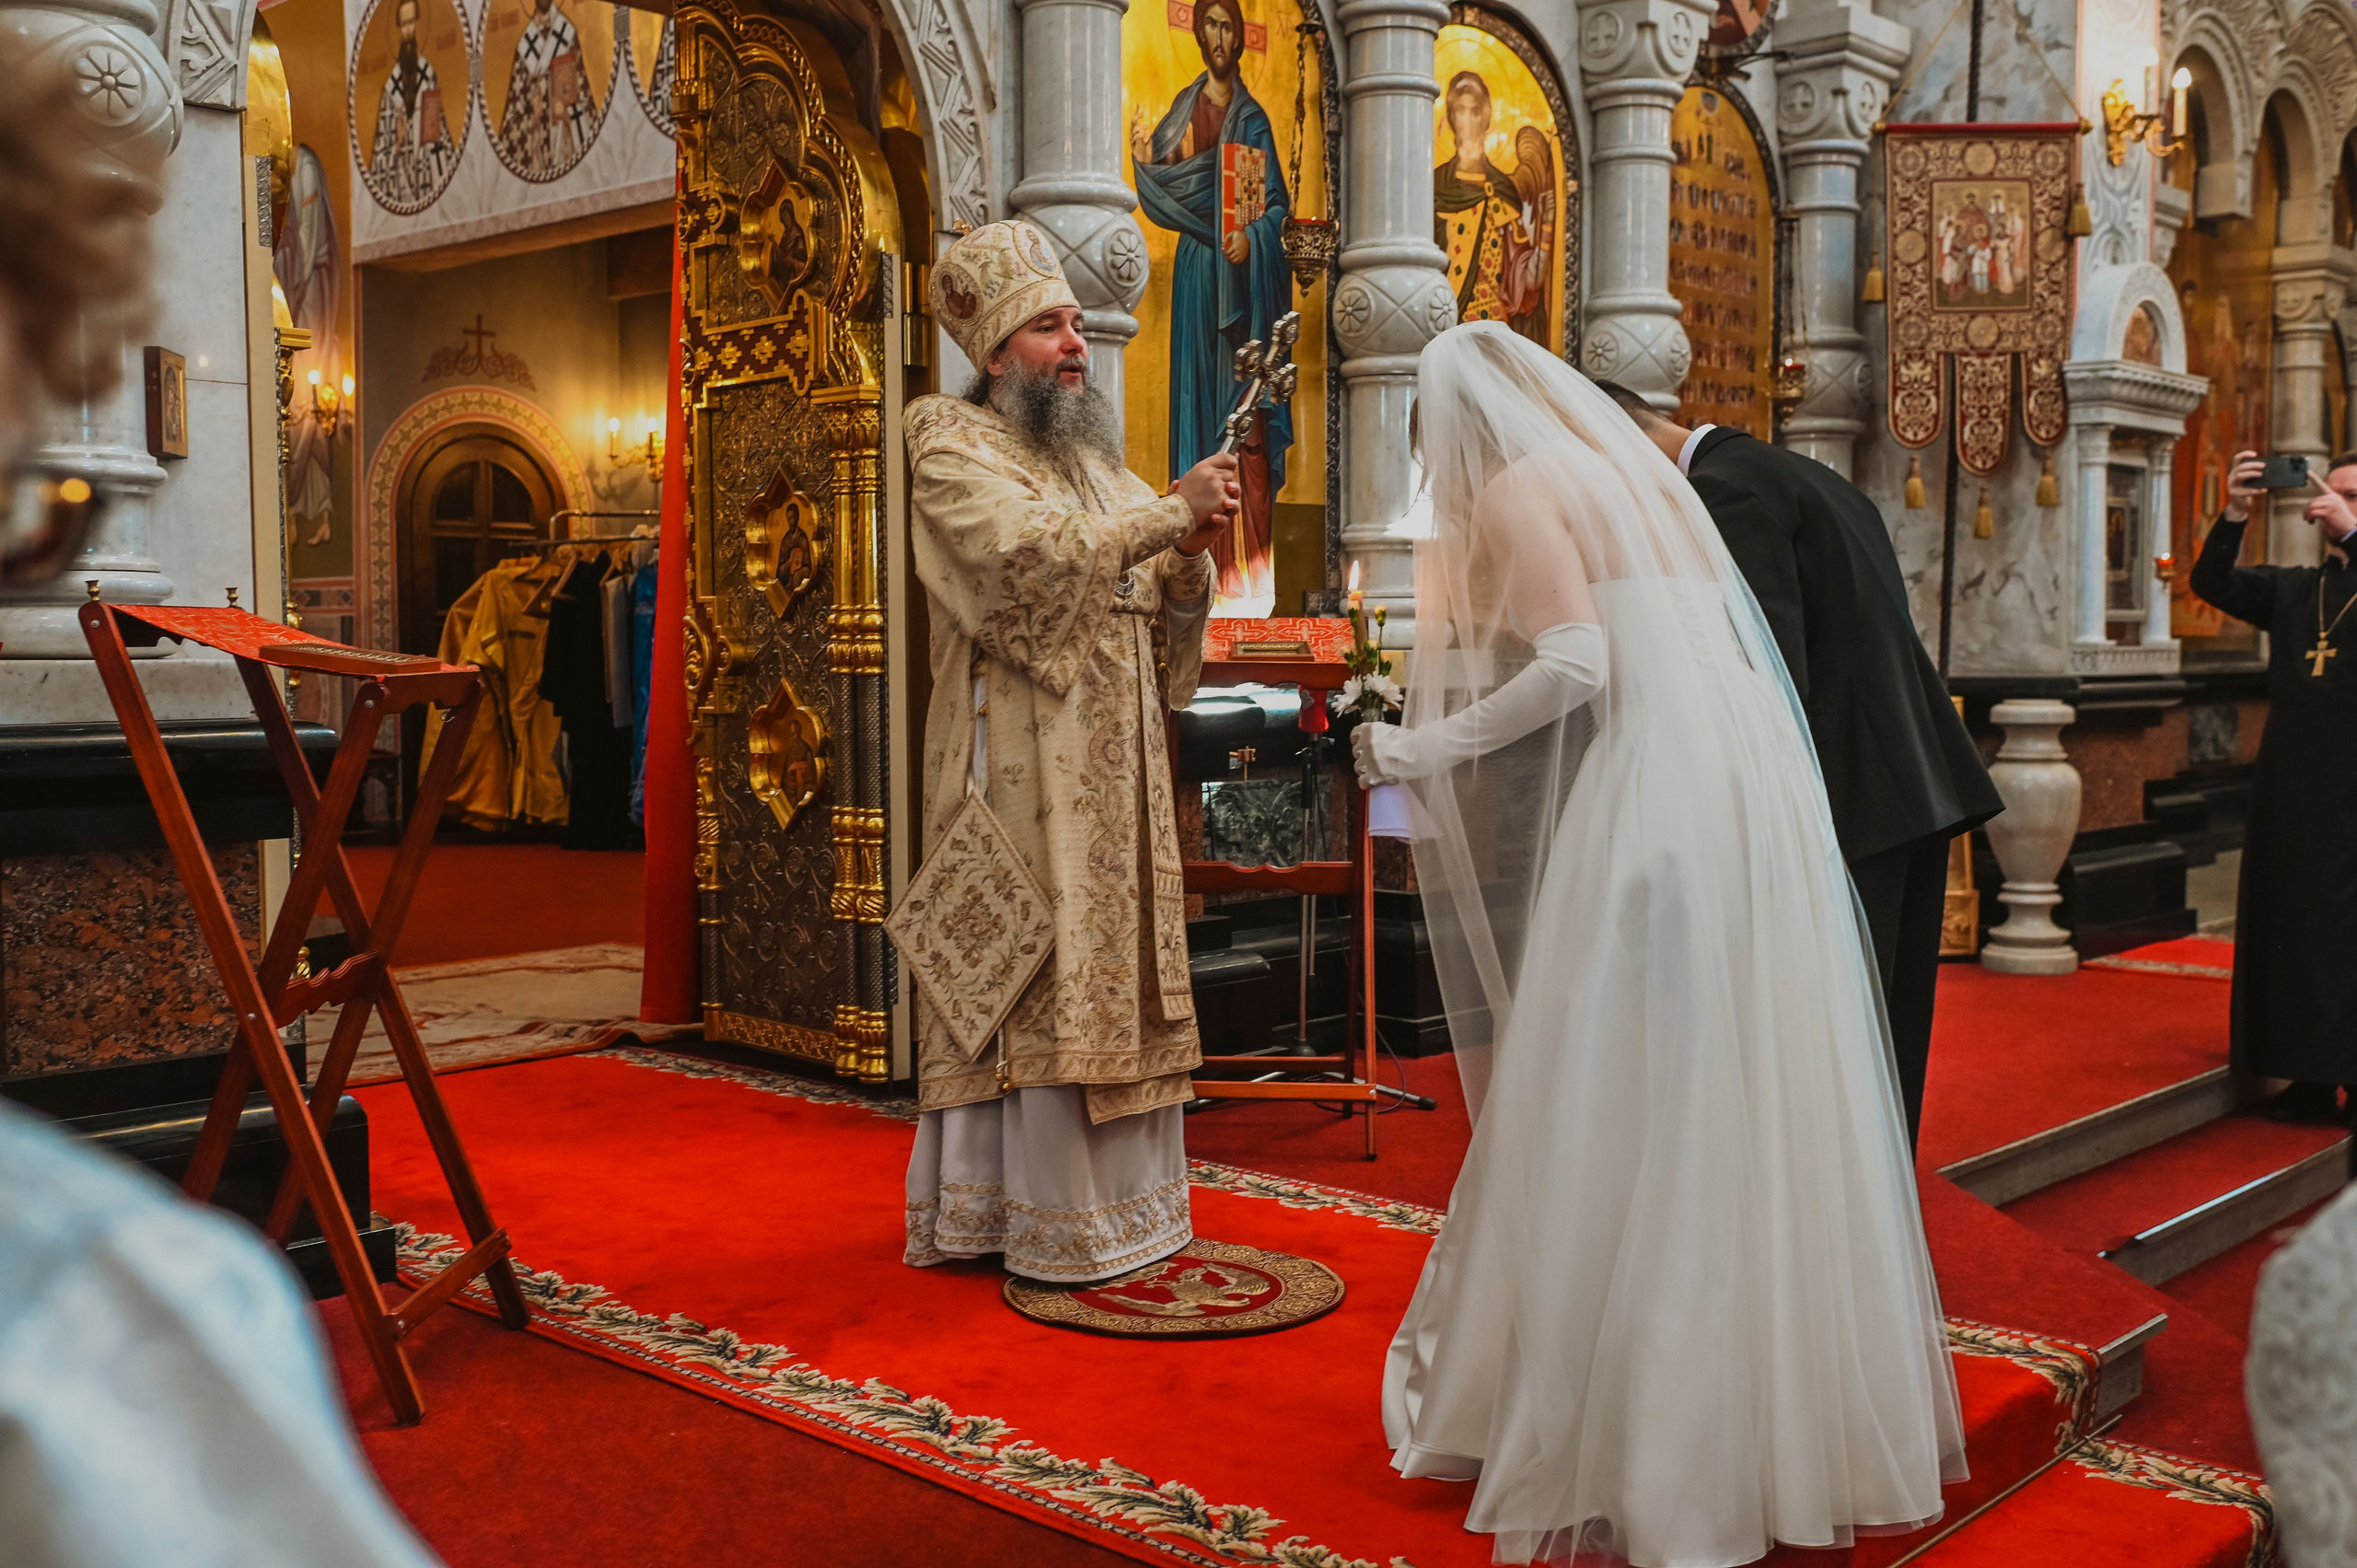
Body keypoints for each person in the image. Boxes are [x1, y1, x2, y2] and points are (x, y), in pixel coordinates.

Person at [1355, 322, 1963, 1566]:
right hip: (1762, 795)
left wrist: (1427, 749)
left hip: (1661, 802)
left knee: (1621, 1088)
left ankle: (1643, 1438)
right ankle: (1771, 1418)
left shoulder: (1529, 488)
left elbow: (1578, 661)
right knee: (1737, 1082)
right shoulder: (1656, 485)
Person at [900, 222, 1239, 1283]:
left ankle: (1125, 1210)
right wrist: (1165, 518)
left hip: (1116, 776)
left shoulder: (1095, 463)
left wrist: (1186, 552)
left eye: (1078, 324)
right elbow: (1022, 560)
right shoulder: (942, 439)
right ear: (997, 352)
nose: (1076, 344)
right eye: (1048, 327)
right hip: (1013, 771)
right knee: (1031, 969)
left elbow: (1158, 597)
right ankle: (1017, 1214)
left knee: (1114, 971)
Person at [1594, 383, 2001, 1149]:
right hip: (1910, 778)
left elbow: (1768, 673)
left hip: (1850, 792)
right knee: (1888, 1024)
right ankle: (1877, 1215)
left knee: (1838, 1029)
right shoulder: (1797, 472)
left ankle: (1846, 1225)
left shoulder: (1722, 495)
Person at [2190, 450, 2357, 1121]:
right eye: (2335, 489)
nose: (2334, 499)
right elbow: (2212, 582)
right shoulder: (2295, 589)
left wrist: (2352, 531)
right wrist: (2234, 511)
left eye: (2351, 493)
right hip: (2292, 780)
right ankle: (2308, 1072)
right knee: (2297, 923)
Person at [1130, 0, 1292, 610]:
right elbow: (1159, 182)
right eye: (1211, 26)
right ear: (1198, 35)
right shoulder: (1183, 110)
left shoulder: (1254, 121)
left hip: (1243, 290)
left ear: (1240, 38)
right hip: (1200, 281)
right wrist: (1145, 152)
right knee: (1199, 417)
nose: (1220, 37)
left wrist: (1250, 239)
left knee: (1246, 420)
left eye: (1229, 26)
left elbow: (1275, 205)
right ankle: (1188, 570)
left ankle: (1247, 582)